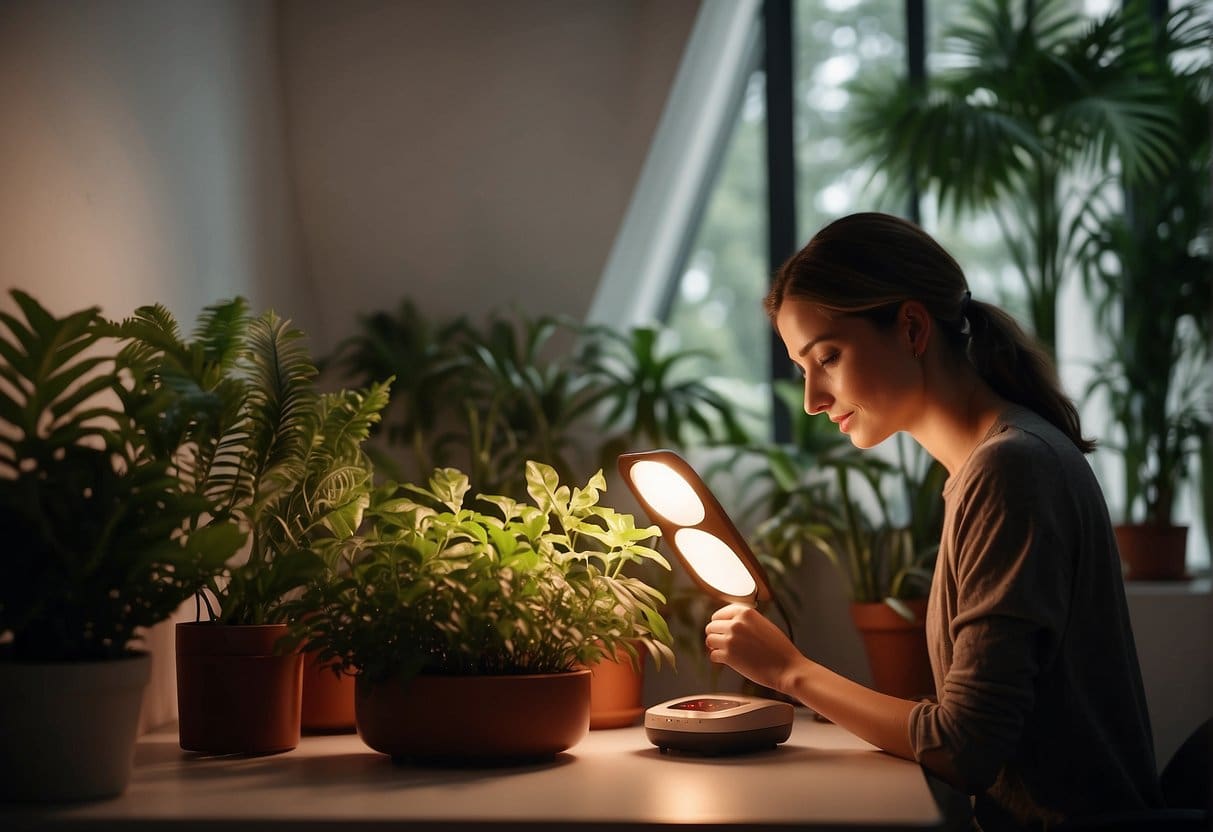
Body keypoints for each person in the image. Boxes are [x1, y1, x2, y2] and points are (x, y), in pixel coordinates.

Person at [704, 212, 1162, 831]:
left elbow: (964, 746)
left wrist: (791, 671)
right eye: (802, 370)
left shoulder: (1011, 469)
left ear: (912, 327)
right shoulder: (990, 465)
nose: (812, 399)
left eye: (828, 357)